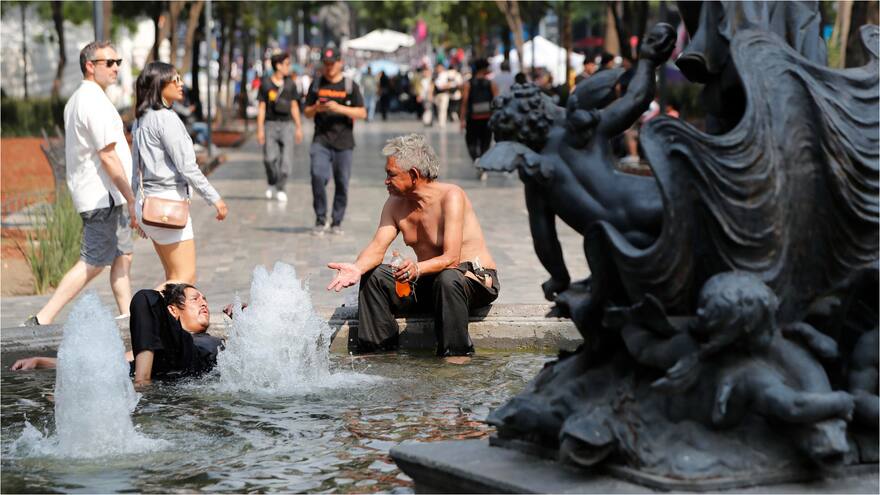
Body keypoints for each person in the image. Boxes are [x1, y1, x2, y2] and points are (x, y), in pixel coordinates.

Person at [326, 134, 500, 364]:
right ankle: (379, 355)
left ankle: (456, 358)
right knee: (375, 275)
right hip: (429, 282)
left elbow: (451, 259)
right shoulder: (395, 204)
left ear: (414, 175)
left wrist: (417, 268)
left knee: (448, 278)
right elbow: (378, 247)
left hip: (470, 281)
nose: (386, 181)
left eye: (391, 175)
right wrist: (357, 269)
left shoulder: (452, 196)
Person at [23, 41, 138, 327]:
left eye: (117, 62)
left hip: (110, 196)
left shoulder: (85, 98)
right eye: (109, 63)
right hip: (102, 196)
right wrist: (131, 196)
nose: (115, 68)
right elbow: (108, 156)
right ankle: (43, 317)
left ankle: (127, 315)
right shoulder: (91, 101)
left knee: (124, 254)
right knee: (94, 261)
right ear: (90, 65)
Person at [11, 284, 225, 387]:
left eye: (205, 299)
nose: (204, 302)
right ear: (172, 310)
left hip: (196, 362)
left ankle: (141, 384)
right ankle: (142, 383)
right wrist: (40, 361)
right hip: (173, 360)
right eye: (195, 299)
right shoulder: (153, 347)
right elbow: (103, 364)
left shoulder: (215, 341)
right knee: (146, 297)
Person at [132, 62, 228, 288]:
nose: (181, 84)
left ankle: (162, 322)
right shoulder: (166, 119)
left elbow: (135, 166)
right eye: (175, 80)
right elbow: (188, 167)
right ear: (159, 84)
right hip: (168, 204)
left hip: (150, 203)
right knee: (185, 280)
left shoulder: (142, 117)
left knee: (173, 276)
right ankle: (142, 312)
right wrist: (214, 198)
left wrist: (138, 209)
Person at [303, 46, 366, 236]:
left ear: (340, 63)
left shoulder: (350, 86)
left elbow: (362, 112)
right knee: (317, 176)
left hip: (344, 142)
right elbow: (306, 112)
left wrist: (340, 109)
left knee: (342, 182)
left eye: (333, 63)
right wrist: (317, 109)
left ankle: (336, 221)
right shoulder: (316, 84)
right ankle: (320, 218)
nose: (329, 67)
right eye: (326, 63)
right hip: (321, 140)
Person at [257, 52, 305, 202]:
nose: (288, 67)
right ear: (278, 65)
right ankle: (272, 182)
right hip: (270, 125)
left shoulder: (290, 84)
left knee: (286, 162)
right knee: (269, 159)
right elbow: (261, 107)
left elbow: (295, 106)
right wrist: (260, 129)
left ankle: (281, 187)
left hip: (287, 125)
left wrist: (298, 127)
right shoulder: (265, 83)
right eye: (286, 64)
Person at [460, 59, 498, 178]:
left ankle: (477, 160)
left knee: (471, 141)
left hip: (473, 118)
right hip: (487, 117)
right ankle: (482, 163)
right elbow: (496, 101)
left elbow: (464, 101)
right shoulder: (491, 83)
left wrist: (462, 118)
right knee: (485, 142)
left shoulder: (468, 84)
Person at [432, 63, 452, 128]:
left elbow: (450, 84)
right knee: (438, 109)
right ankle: (440, 121)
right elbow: (432, 85)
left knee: (443, 108)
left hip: (444, 94)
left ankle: (442, 123)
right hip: (437, 95)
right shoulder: (435, 75)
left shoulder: (446, 75)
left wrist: (444, 86)